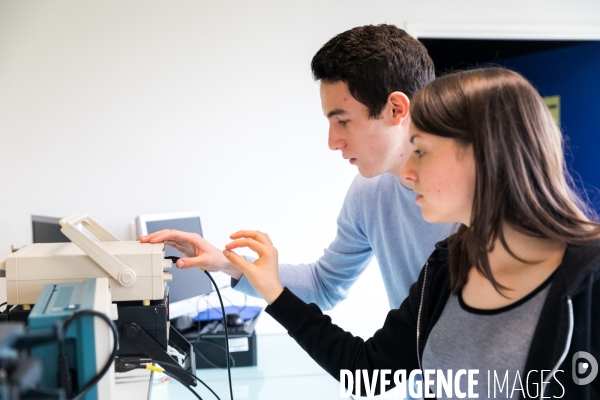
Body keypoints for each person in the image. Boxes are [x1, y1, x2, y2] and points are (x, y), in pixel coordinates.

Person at [222, 67, 600, 399]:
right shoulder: (446, 265)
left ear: (485, 152)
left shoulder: (590, 278)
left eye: (421, 150)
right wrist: (272, 290)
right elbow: (367, 372)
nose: (406, 173)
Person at [140, 24, 451, 311]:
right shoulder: (368, 193)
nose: (333, 142)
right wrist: (227, 262)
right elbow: (324, 286)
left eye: (343, 121)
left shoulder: (482, 194)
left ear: (396, 109)